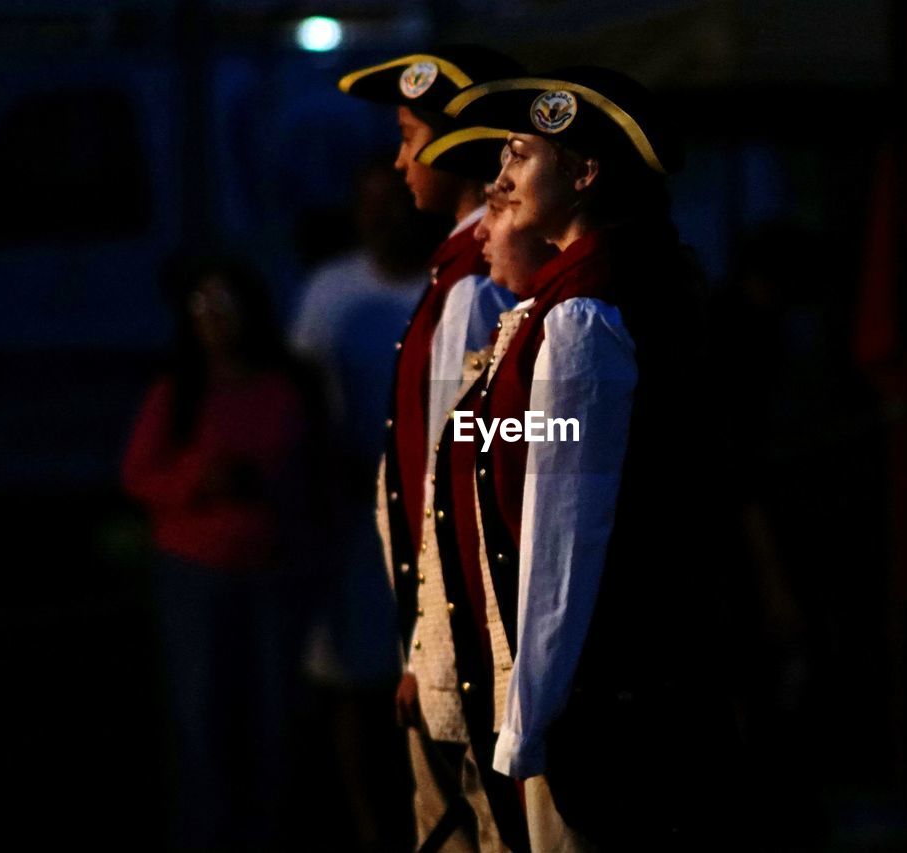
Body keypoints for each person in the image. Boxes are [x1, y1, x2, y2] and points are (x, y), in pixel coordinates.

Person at [429, 66, 739, 849]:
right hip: (604, 682)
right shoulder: (587, 298)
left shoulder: (583, 319)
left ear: (584, 173)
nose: (499, 177)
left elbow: (563, 541)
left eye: (521, 155)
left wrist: (527, 721)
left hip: (594, 693)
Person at [338, 45, 526, 850]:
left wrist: (432, 646)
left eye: (412, 136)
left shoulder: (477, 285)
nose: (399, 158)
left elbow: (460, 479)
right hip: (444, 620)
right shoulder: (458, 275)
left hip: (464, 630)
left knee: (471, 828)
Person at [120, 256, 328, 852]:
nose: (212, 320)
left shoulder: (286, 386)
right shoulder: (178, 392)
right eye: (201, 308)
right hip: (195, 575)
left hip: (272, 572)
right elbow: (138, 476)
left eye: (224, 306)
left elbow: (311, 474)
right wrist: (198, 479)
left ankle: (267, 833)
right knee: (202, 715)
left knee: (271, 716)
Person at [288, 156, 446, 852]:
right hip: (354, 524)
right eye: (369, 203)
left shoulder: (454, 287)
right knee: (355, 680)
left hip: (436, 522)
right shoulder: (329, 292)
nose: (382, 216)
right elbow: (303, 401)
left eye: (395, 201)